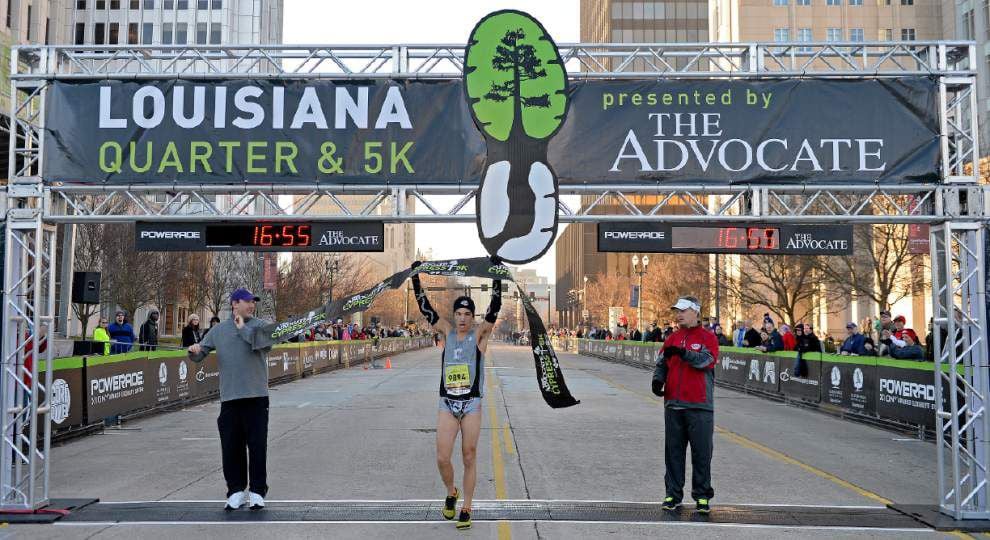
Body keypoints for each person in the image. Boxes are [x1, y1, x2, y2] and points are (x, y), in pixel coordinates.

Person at [411, 260, 500, 531]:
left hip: (471, 404)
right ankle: (452, 491)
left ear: (473, 317)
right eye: (458, 313)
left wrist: (496, 277)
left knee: (469, 455)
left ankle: (467, 506)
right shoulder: (446, 332)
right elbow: (426, 309)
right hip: (448, 404)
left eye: (466, 314)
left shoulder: (480, 336)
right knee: (442, 457)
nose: (462, 318)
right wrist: (416, 280)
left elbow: (494, 309)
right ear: (454, 316)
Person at [187, 287, 273, 511]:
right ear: (235, 303)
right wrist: (194, 350)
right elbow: (200, 354)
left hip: (256, 397)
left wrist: (242, 328)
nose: (252, 305)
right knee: (231, 447)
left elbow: (263, 344)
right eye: (247, 302)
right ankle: (235, 491)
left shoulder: (260, 326)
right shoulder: (219, 330)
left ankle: (256, 491)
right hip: (230, 398)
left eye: (253, 302)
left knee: (257, 447)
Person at [651, 295, 718, 515]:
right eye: (676, 311)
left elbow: (706, 361)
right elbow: (662, 363)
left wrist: (684, 353)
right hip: (673, 405)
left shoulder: (708, 338)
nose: (678, 314)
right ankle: (672, 494)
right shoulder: (671, 338)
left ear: (695, 312)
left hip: (699, 406)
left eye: (682, 310)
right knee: (673, 453)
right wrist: (657, 379)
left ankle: (701, 497)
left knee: (701, 454)